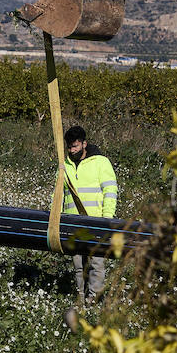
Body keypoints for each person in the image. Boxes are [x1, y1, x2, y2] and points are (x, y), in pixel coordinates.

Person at [62, 125, 118, 302]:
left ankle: (94, 298)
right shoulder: (65, 166)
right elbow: (58, 194)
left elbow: (110, 190)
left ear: (84, 144)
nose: (72, 150)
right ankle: (80, 297)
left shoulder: (101, 162)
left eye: (76, 146)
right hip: (72, 222)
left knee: (96, 262)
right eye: (70, 147)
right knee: (78, 264)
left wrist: (107, 218)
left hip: (96, 221)